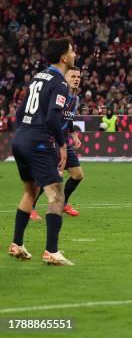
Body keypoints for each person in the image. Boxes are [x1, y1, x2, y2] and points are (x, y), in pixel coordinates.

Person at [9, 37, 76, 265]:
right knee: (56, 195)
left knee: (31, 191)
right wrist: (62, 144)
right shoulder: (60, 83)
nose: (74, 54)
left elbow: (19, 112)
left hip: (20, 138)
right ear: (64, 57)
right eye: (72, 51)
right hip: (39, 142)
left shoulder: (38, 76)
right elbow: (51, 116)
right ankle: (51, 251)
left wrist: (24, 131)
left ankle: (17, 244)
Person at [30, 67, 84, 221]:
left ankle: (64, 204)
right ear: (65, 78)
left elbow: (69, 117)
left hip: (65, 141)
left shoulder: (76, 97)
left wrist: (73, 135)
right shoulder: (59, 94)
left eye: (78, 76)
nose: (76, 79)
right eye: (72, 76)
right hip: (52, 141)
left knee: (78, 175)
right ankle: (31, 208)